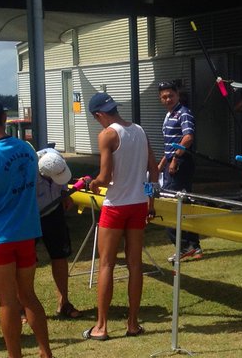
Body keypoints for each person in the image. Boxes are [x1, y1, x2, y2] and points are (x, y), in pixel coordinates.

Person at [0, 97, 57, 358]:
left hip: (0, 239)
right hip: (27, 234)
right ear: (5, 118)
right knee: (28, 295)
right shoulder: (28, 149)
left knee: (7, 301)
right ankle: (47, 355)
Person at [81, 92, 158, 341]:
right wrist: (150, 201)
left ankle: (101, 327)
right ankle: (132, 324)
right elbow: (153, 172)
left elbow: (103, 178)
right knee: (135, 266)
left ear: (98, 115)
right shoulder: (140, 130)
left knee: (106, 265)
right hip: (138, 205)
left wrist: (91, 184)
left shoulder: (107, 134)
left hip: (115, 207)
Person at [157, 79, 202, 262]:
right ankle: (194, 247)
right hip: (171, 162)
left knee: (170, 205)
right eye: (164, 97)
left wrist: (175, 159)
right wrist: (161, 164)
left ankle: (184, 246)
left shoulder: (183, 113)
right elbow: (171, 144)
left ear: (177, 95)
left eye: (171, 95)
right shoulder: (170, 115)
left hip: (181, 164)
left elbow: (188, 137)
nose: (167, 99)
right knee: (184, 203)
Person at [35, 146, 81, 320]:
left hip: (54, 211)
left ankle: (64, 303)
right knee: (27, 263)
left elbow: (63, 182)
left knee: (60, 256)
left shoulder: (55, 158)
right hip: (31, 216)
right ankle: (23, 307)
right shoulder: (30, 171)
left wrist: (64, 194)